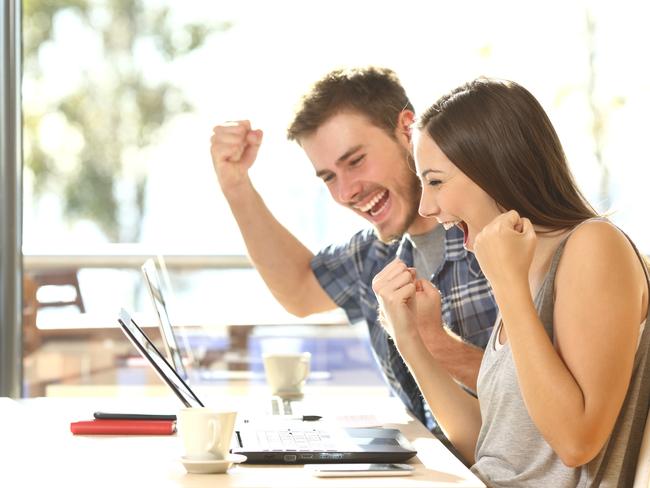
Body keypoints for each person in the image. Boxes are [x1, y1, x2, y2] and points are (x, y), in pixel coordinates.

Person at [372, 77, 650, 486]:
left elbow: (576, 442)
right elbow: (495, 449)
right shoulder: (526, 266)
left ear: (495, 168)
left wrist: (509, 288)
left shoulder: (593, 246)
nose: (427, 207)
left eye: (435, 182)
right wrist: (409, 339)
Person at [209, 67, 497, 432]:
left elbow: (547, 395)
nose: (346, 192)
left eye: (356, 161)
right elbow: (298, 289)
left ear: (407, 130)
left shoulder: (498, 235)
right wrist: (235, 185)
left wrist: (431, 342)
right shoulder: (376, 255)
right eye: (329, 176)